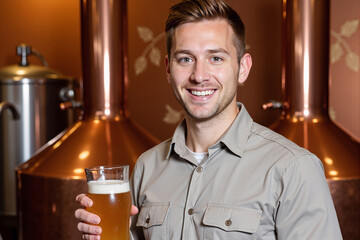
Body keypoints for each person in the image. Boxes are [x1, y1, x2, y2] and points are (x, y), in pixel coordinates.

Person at [75, 0, 342, 239]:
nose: (199, 75)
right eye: (185, 59)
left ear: (243, 68)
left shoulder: (293, 169)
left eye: (216, 58)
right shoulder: (146, 167)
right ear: (168, 69)